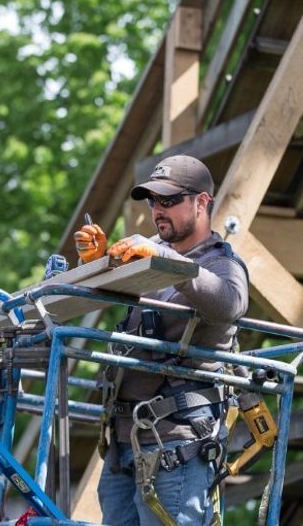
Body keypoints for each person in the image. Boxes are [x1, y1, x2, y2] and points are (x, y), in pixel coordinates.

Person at [73, 154, 249, 526]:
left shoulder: (220, 263)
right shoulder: (147, 257)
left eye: (168, 200)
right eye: (153, 201)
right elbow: (100, 295)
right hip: (124, 443)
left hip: (176, 446)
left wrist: (164, 258)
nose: (157, 210)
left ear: (201, 202)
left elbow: (230, 303)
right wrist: (97, 264)